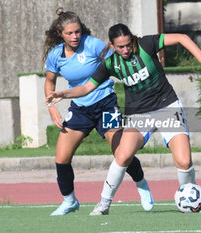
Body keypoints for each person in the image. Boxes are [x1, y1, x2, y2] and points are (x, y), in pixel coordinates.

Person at [45, 23, 201, 215]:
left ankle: (194, 202)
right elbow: (87, 87)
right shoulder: (110, 63)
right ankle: (104, 204)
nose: (125, 49)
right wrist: (64, 93)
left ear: (133, 40)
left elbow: (182, 37)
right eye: (120, 46)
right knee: (122, 155)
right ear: (112, 46)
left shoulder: (147, 44)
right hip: (139, 114)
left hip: (167, 108)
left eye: (128, 44)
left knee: (184, 161)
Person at [43, 10, 153, 216]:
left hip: (106, 104)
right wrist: (51, 108)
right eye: (70, 33)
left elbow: (119, 60)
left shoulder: (92, 44)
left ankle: (142, 184)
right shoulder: (55, 55)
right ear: (60, 33)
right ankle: (69, 201)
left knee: (122, 152)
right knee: (61, 158)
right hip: (79, 109)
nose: (75, 36)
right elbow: (49, 82)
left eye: (77, 32)